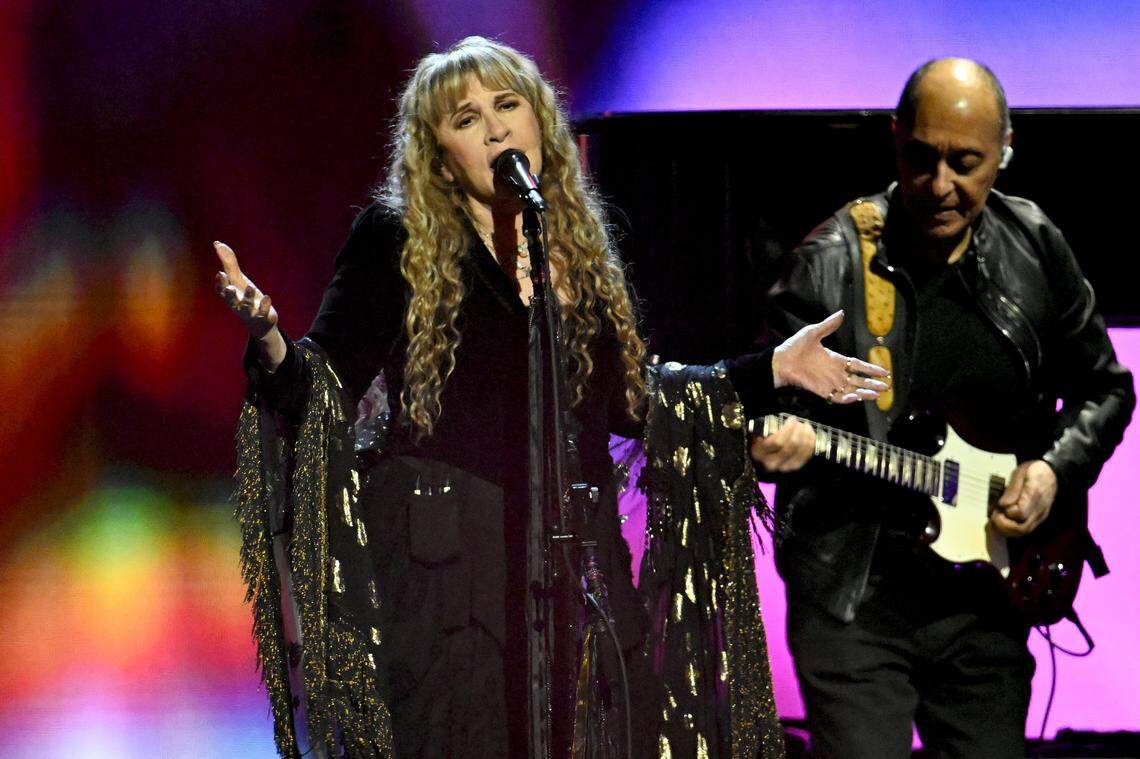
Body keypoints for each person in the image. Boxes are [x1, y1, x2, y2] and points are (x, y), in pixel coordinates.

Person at [215, 37, 888, 759]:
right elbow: (324, 386)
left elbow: (634, 405)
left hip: (581, 564)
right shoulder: (396, 238)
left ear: (540, 122)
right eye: (467, 119)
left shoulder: (573, 245)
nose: (497, 128)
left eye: (509, 106)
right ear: (439, 157)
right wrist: (271, 341)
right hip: (451, 579)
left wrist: (769, 369)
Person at [755, 58, 1135, 758]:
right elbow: (761, 411)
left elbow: (1107, 389)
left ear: (1006, 149)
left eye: (966, 163)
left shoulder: (1034, 245)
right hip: (854, 598)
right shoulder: (830, 262)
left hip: (985, 605)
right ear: (895, 139)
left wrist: (1052, 472)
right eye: (920, 158)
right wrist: (768, 443)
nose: (939, 186)